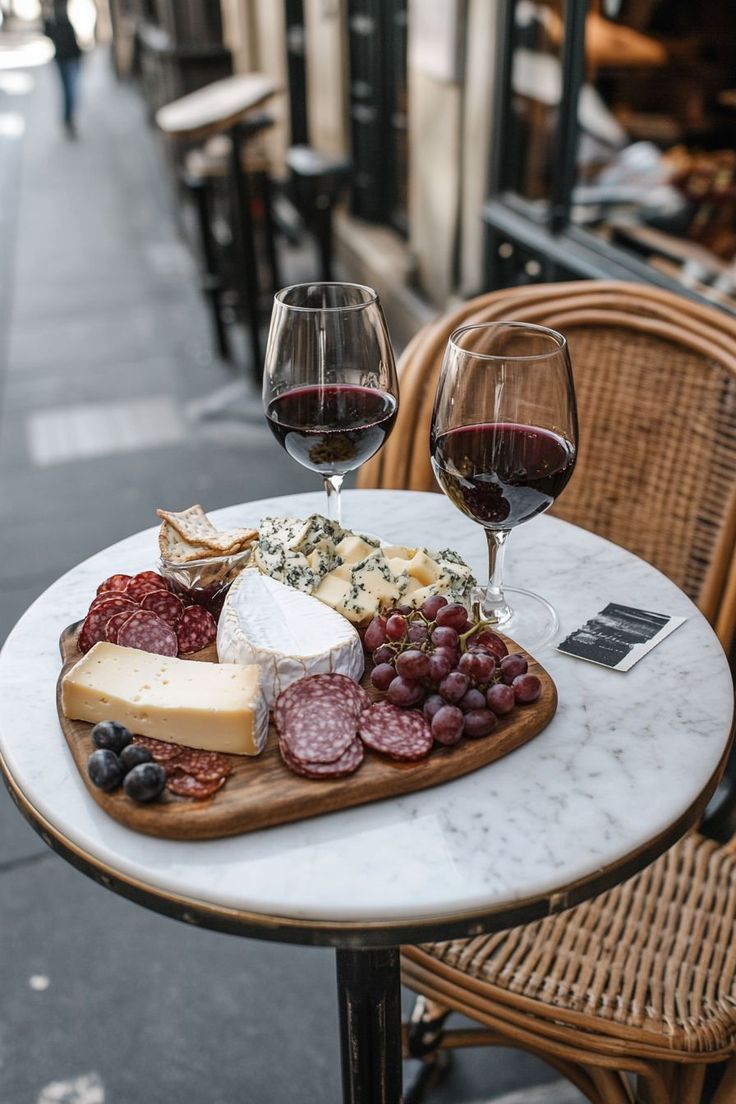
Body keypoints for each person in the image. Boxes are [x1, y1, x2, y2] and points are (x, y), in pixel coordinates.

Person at [43, 0, 82, 138]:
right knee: (68, 91)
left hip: (71, 56)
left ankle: (68, 119)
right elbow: (47, 33)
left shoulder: (68, 12)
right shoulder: (54, 16)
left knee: (71, 90)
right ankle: (68, 120)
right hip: (63, 57)